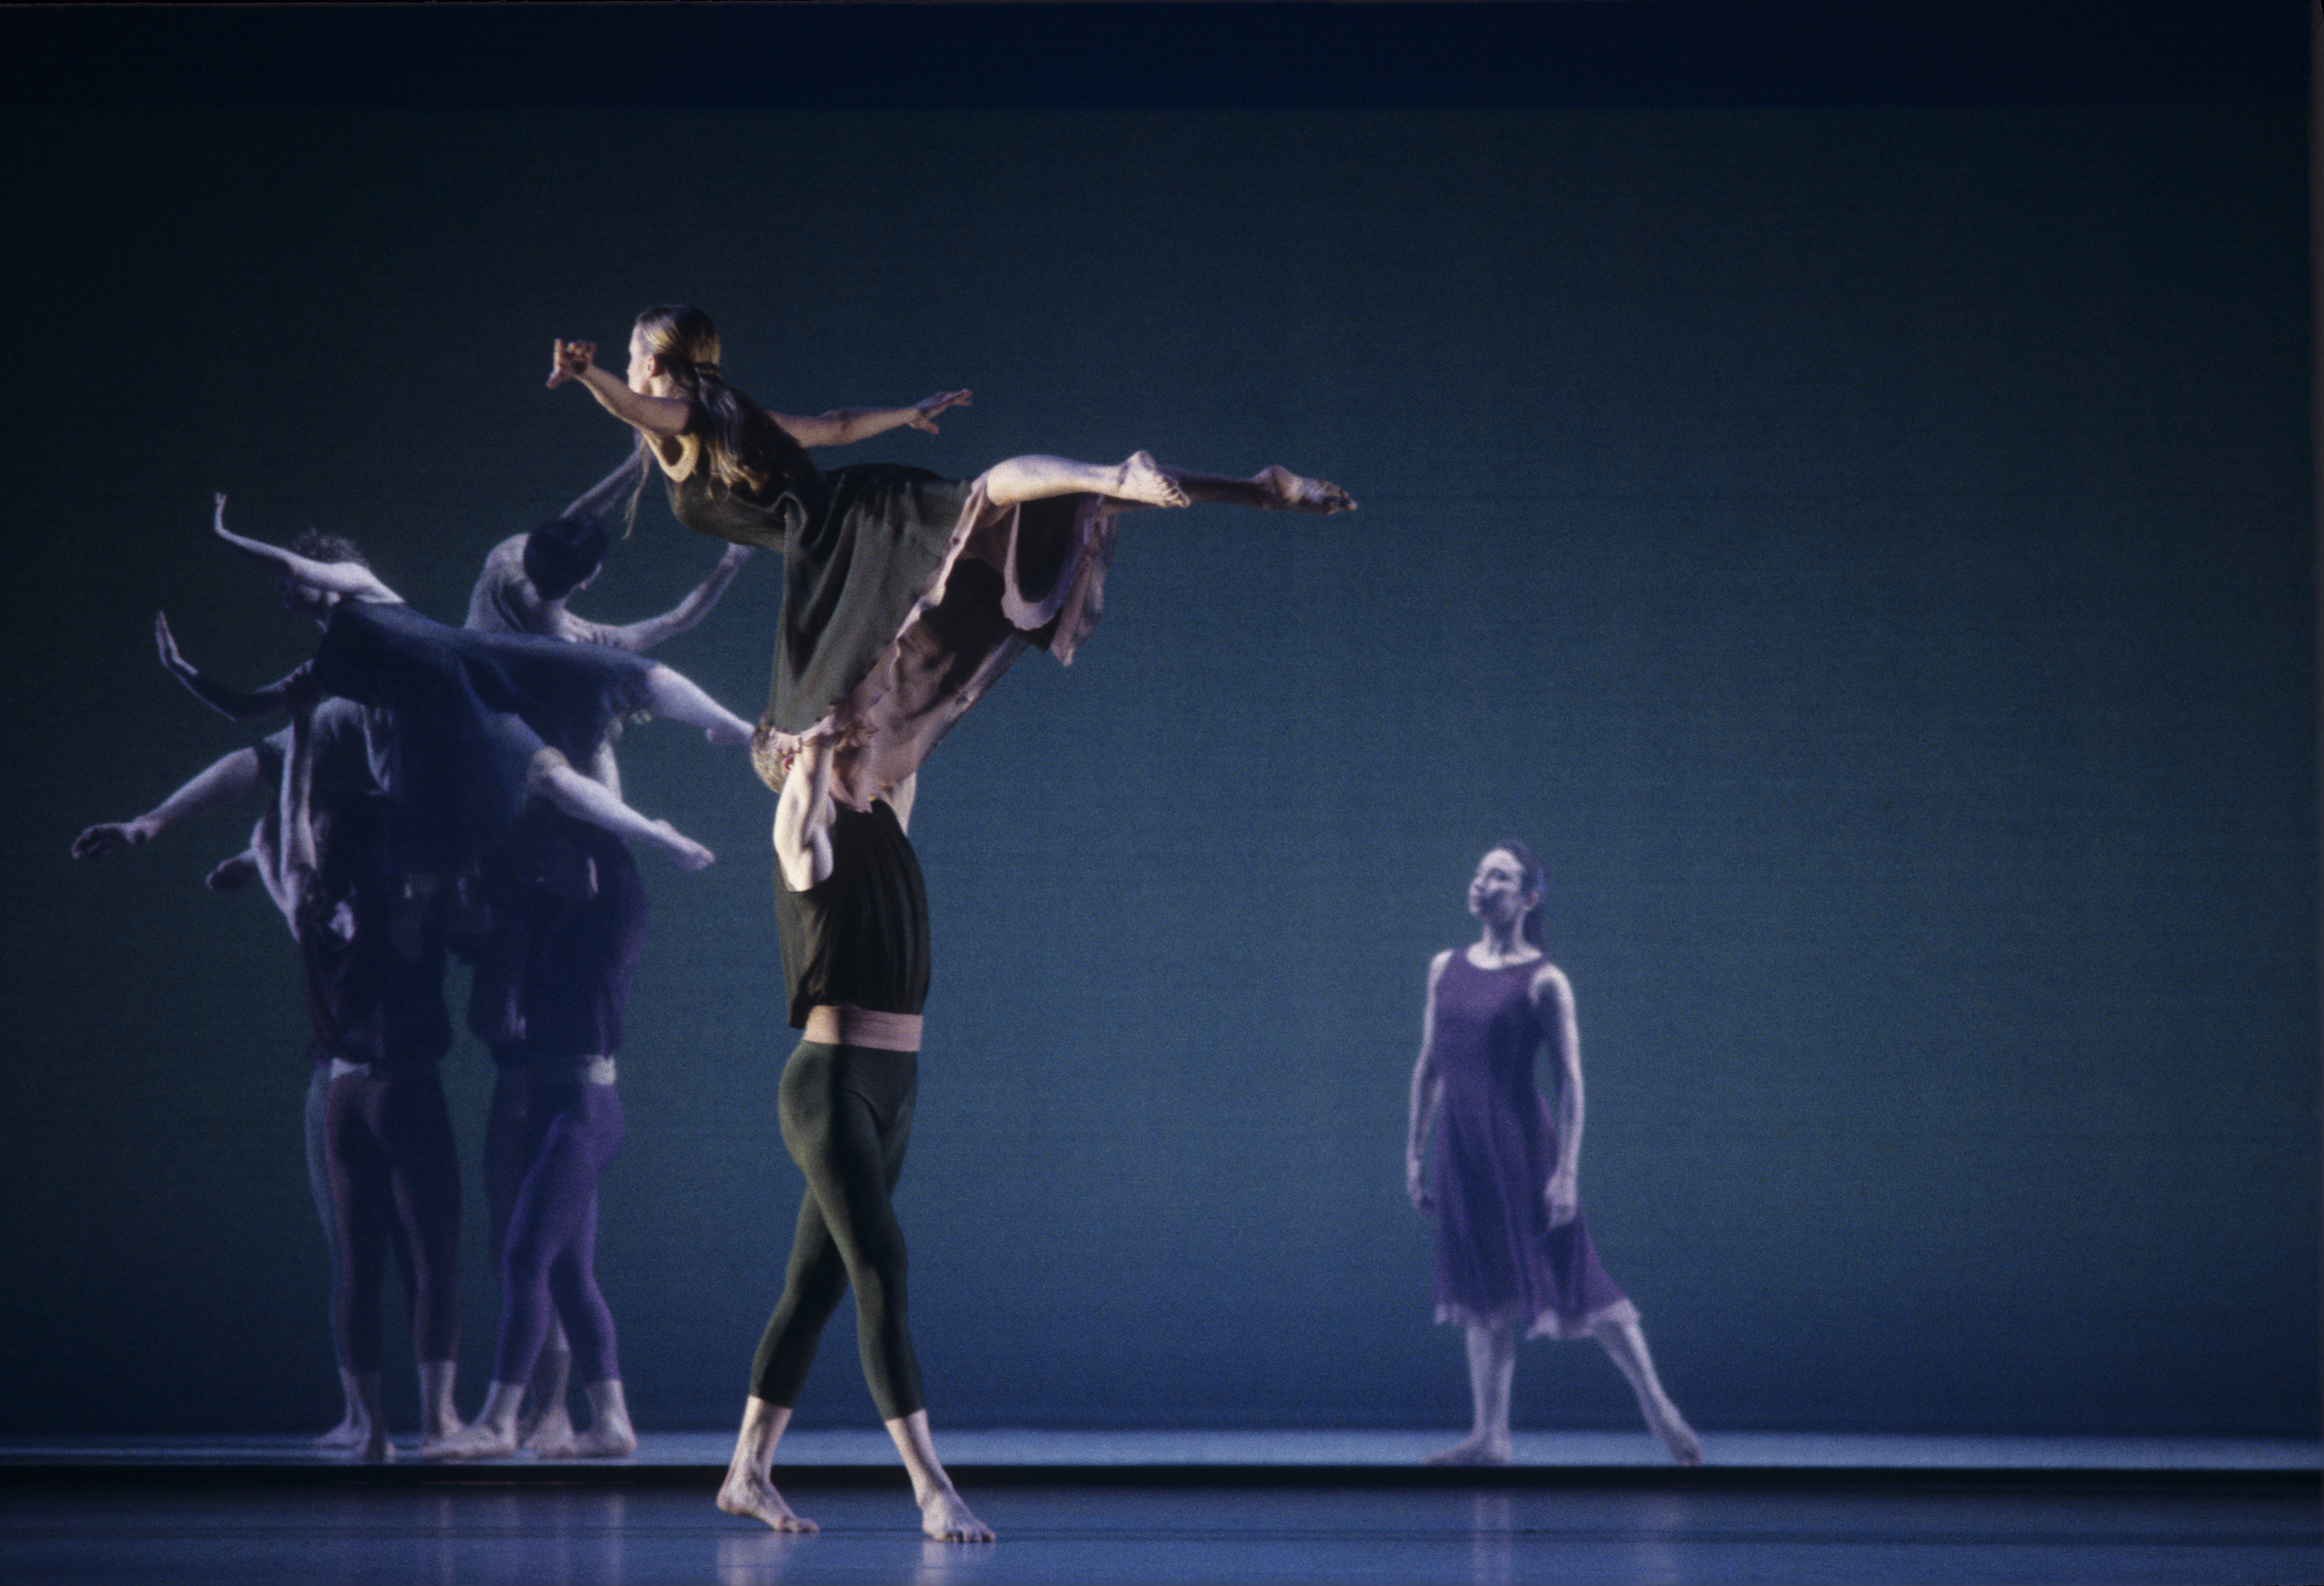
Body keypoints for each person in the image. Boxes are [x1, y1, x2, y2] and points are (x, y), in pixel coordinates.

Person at [548, 304, 1353, 805]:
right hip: (842, 539)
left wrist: (588, 378)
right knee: (993, 511)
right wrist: (909, 412)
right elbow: (830, 425)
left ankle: (1118, 473)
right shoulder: (727, 418)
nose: (629, 373)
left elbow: (631, 403)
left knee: (981, 508)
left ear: (654, 363)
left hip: (847, 542)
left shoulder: (682, 416)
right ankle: (1254, 488)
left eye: (631, 356)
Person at [428, 509, 744, 1461]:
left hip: (582, 1108)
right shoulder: (538, 911)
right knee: (566, 1272)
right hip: (547, 1096)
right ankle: (611, 1419)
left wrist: (655, 834)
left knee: (529, 1258)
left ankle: (499, 1421)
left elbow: (579, 789)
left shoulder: (607, 903)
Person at [72, 696, 409, 1451]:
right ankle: (399, 1415)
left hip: (357, 1069)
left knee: (376, 1249)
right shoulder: (363, 785)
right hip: (372, 1062)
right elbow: (260, 792)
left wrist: (216, 846)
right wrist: (171, 828)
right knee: (388, 1248)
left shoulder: (359, 723)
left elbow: (271, 814)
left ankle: (384, 1417)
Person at [157, 494, 742, 897]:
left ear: (322, 570)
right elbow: (246, 708)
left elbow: (288, 561)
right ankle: (656, 832)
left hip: (474, 664)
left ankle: (733, 731)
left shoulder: (363, 589)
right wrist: (182, 669)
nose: (286, 590)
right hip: (450, 717)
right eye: (284, 587)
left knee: (622, 674)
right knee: (551, 781)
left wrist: (223, 535)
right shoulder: (325, 669)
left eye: (292, 581)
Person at [715, 729, 989, 1543]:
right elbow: (809, 768)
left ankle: (744, 1473)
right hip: (830, 1086)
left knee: (816, 1287)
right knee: (882, 1261)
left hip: (894, 1087)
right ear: (795, 761)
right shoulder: (800, 838)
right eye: (823, 742)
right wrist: (814, 729)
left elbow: (915, 728)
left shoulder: (884, 818)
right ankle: (932, 1488)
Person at [1405, 842, 1703, 1467]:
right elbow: (1429, 1065)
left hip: (1520, 1147)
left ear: (1528, 898)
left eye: (1500, 876)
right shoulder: (1444, 967)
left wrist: (1566, 1172)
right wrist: (1413, 1151)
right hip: (1461, 1149)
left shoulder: (1544, 979)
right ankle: (1491, 1436)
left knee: (1575, 1275)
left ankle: (1657, 1403)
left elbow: (1571, 1080)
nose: (1482, 882)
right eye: (1479, 870)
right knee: (1482, 1291)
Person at [248, 658, 461, 1462]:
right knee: (432, 1255)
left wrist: (302, 727)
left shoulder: (304, 897)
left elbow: (288, 819)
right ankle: (438, 1422)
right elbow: (419, 819)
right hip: (405, 1092)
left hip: (341, 1098)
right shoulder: (404, 902)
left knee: (358, 1262)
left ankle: (368, 1427)